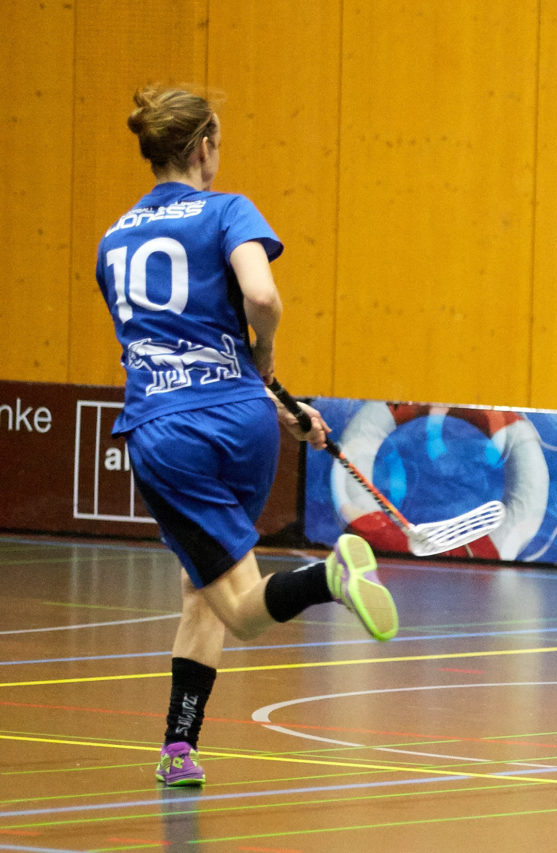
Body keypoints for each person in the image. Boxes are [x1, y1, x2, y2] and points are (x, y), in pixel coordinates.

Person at [94, 86, 399, 787]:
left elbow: (169, 345)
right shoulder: (229, 210)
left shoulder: (113, 240)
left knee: (239, 607)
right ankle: (179, 747)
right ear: (204, 146)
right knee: (202, 588)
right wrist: (268, 379)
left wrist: (250, 359)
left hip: (169, 430)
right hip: (245, 421)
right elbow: (258, 302)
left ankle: (329, 577)